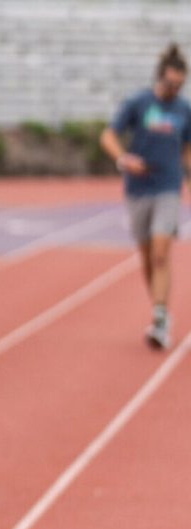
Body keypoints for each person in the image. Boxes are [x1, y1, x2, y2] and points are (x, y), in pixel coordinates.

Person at [100, 43, 191, 350]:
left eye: (180, 85)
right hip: (139, 189)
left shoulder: (184, 109)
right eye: (170, 84)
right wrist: (124, 159)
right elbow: (109, 135)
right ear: (159, 78)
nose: (174, 90)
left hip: (169, 186)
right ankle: (160, 312)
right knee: (147, 258)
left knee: (162, 252)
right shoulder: (138, 102)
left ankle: (161, 318)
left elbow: (188, 147)